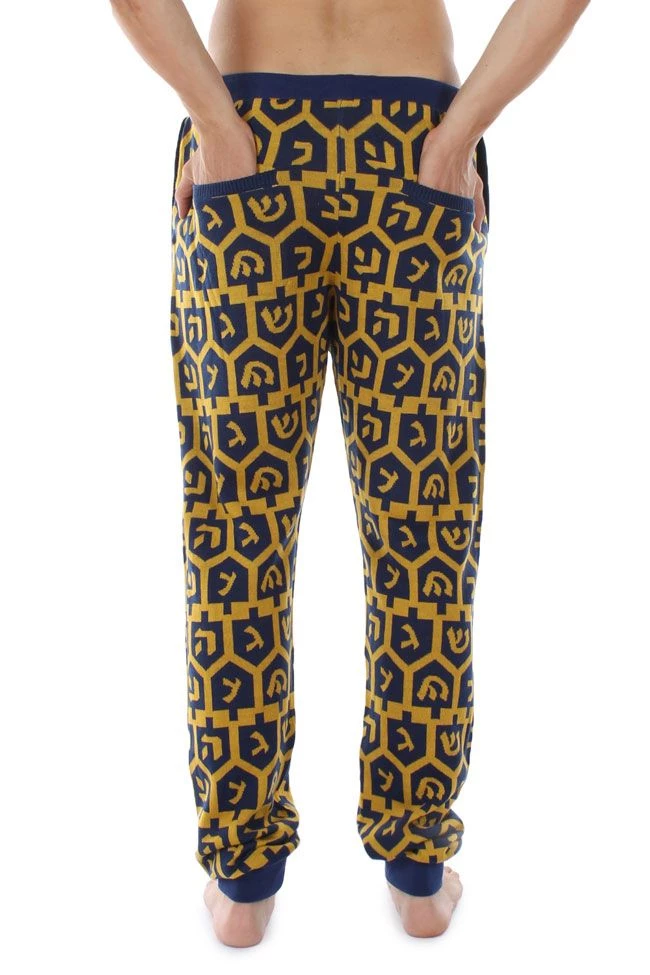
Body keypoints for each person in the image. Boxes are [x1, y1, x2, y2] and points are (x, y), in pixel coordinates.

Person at [110, 0, 591, 948]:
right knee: (424, 529)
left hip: (249, 137)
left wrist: (213, 120)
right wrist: (458, 134)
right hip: (410, 149)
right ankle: (418, 869)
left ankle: (243, 879)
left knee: (236, 529)